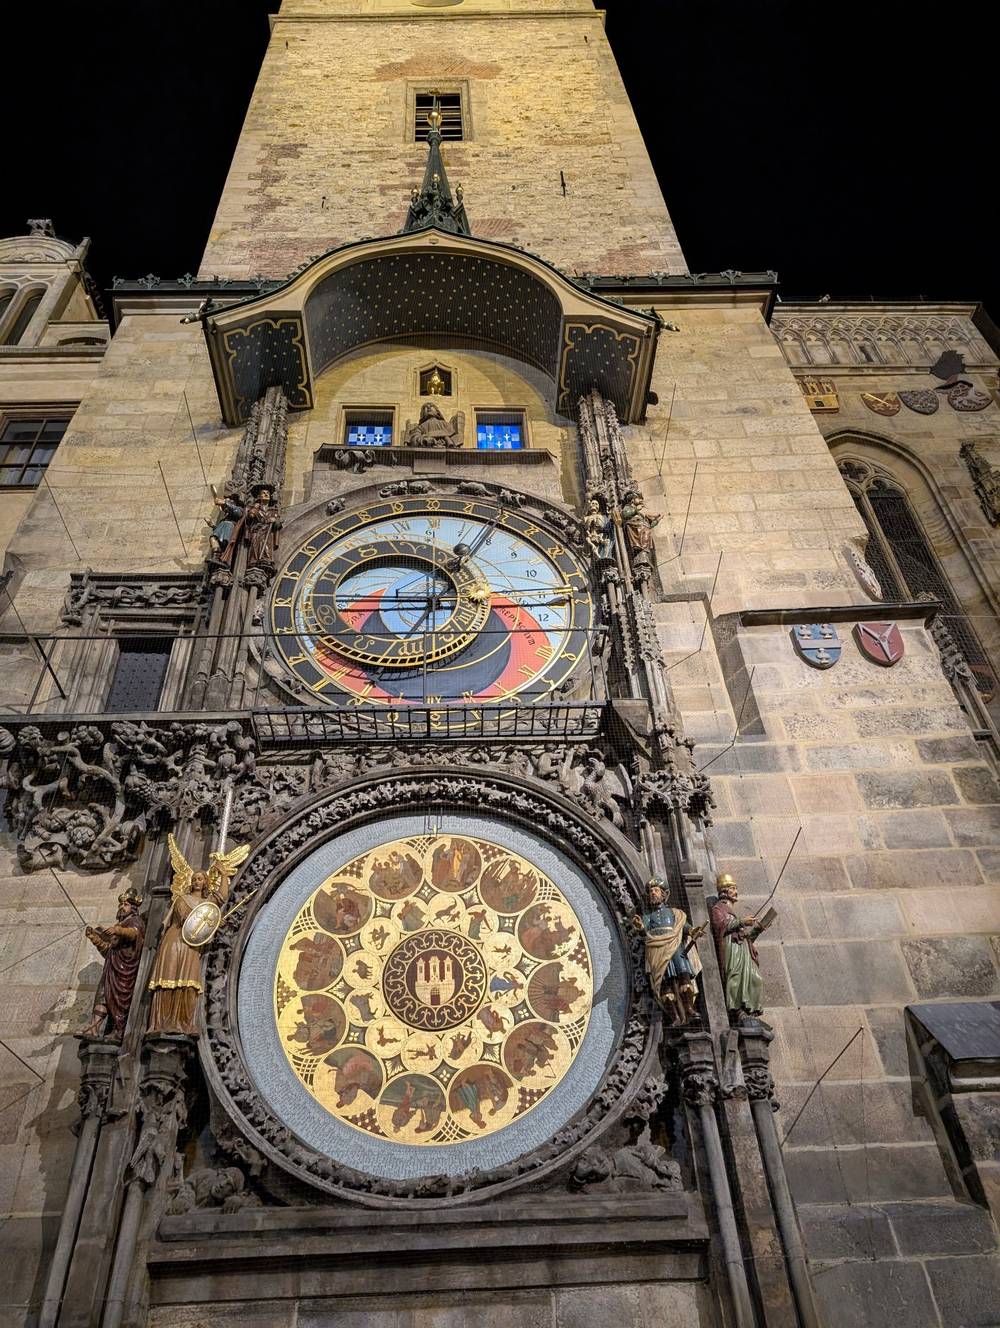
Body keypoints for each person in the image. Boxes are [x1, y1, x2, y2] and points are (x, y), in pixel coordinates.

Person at [632, 876, 704, 1025]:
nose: (653, 893)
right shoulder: (648, 916)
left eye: (656, 890)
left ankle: (689, 1008)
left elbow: (682, 926)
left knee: (684, 975)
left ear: (664, 894)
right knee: (664, 984)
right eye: (651, 891)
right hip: (657, 950)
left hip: (675, 946)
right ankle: (674, 1016)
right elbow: (644, 933)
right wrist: (640, 927)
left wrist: (692, 930)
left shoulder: (674, 912)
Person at [80, 887, 145, 1040]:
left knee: (119, 1000)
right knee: (102, 995)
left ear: (133, 907)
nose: (122, 907)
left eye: (126, 905)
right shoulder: (121, 924)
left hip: (126, 970)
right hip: (112, 967)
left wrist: (118, 930)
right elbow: (108, 950)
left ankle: (119, 1031)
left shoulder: (135, 921)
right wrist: (95, 938)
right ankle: (93, 1028)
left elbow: (134, 933)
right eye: (121, 905)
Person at [710, 874, 765, 1018]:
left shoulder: (732, 912)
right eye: (733, 888)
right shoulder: (718, 909)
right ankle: (738, 1010)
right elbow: (719, 926)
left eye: (735, 888)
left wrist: (758, 929)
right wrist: (741, 922)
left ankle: (750, 1011)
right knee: (735, 978)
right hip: (731, 949)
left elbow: (746, 939)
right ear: (725, 891)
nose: (736, 891)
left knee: (755, 978)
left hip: (742, 950)